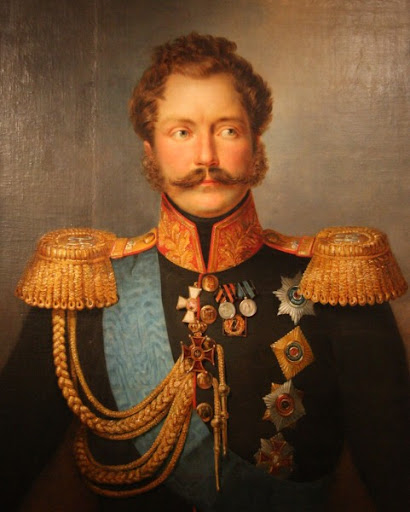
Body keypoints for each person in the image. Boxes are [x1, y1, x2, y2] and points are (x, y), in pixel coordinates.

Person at [2, 33, 409, 512]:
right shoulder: (81, 286)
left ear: (256, 143)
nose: (206, 158)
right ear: (150, 150)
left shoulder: (339, 282)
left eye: (228, 130)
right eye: (182, 132)